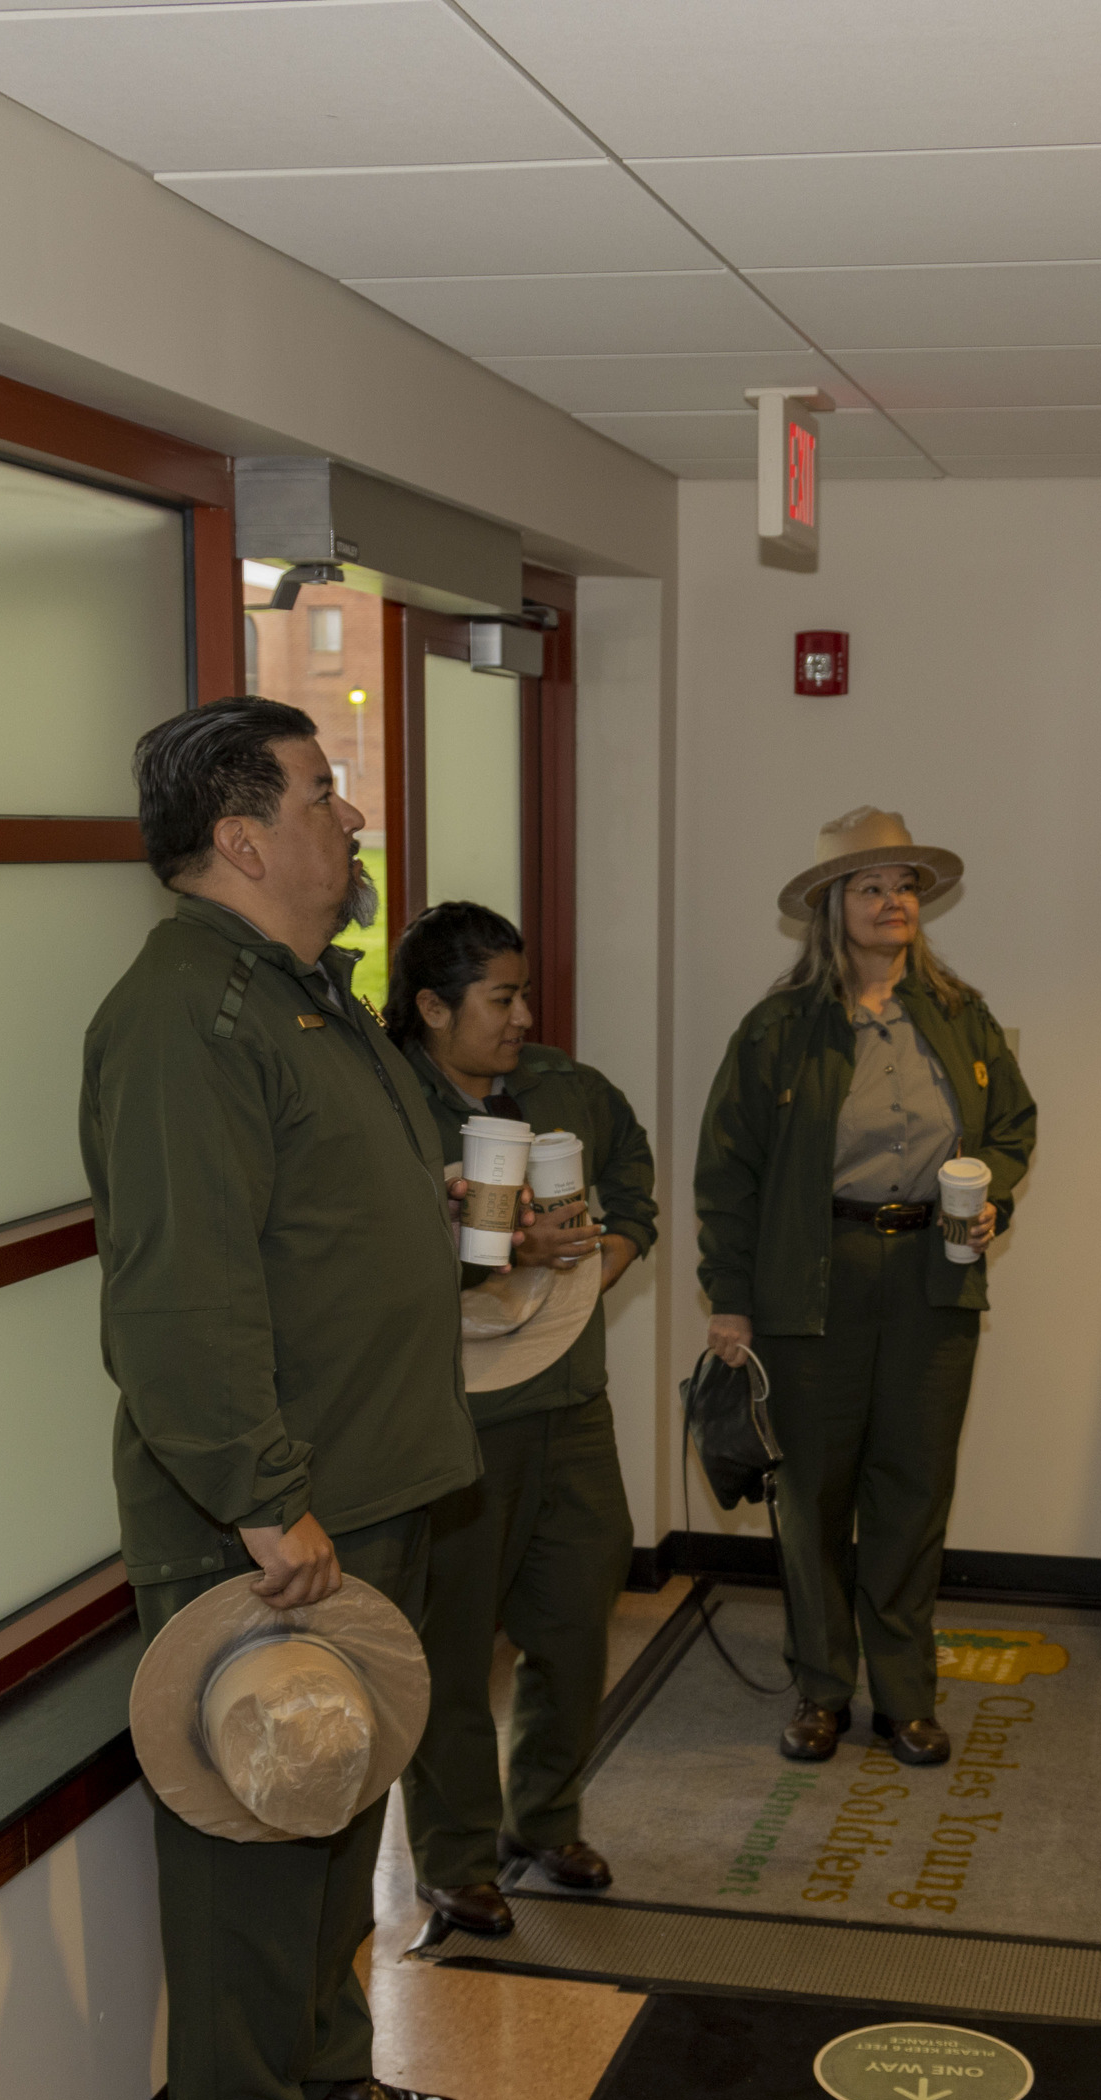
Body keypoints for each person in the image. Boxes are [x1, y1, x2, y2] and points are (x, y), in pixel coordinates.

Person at [80, 694, 483, 2100]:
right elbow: (176, 1294)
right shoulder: (190, 1011)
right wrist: (260, 1499)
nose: (354, 819)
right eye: (326, 794)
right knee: (257, 1825)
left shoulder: (297, 992)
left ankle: (323, 2067)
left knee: (339, 1795)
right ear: (242, 837)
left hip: (368, 1479)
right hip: (272, 1516)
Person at [693, 807, 1036, 1767]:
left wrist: (992, 1195)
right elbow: (728, 1175)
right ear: (832, 907)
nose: (895, 902)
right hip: (813, 1280)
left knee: (914, 1491)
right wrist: (729, 1297)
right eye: (873, 887)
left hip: (936, 1275)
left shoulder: (960, 1014)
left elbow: (1011, 1127)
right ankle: (819, 1692)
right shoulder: (778, 1030)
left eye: (907, 886)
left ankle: (906, 1698)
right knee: (811, 1499)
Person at [385, 899, 657, 1936]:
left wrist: (591, 1267)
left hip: (570, 1406)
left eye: (522, 991)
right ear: (430, 1006)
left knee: (574, 1627)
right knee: (451, 1649)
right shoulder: (383, 1105)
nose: (520, 1014)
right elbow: (354, 1253)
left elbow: (634, 1191)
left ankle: (543, 1818)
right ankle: (453, 1856)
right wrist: (489, 1254)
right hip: (450, 1419)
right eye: (499, 997)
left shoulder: (567, 1089)